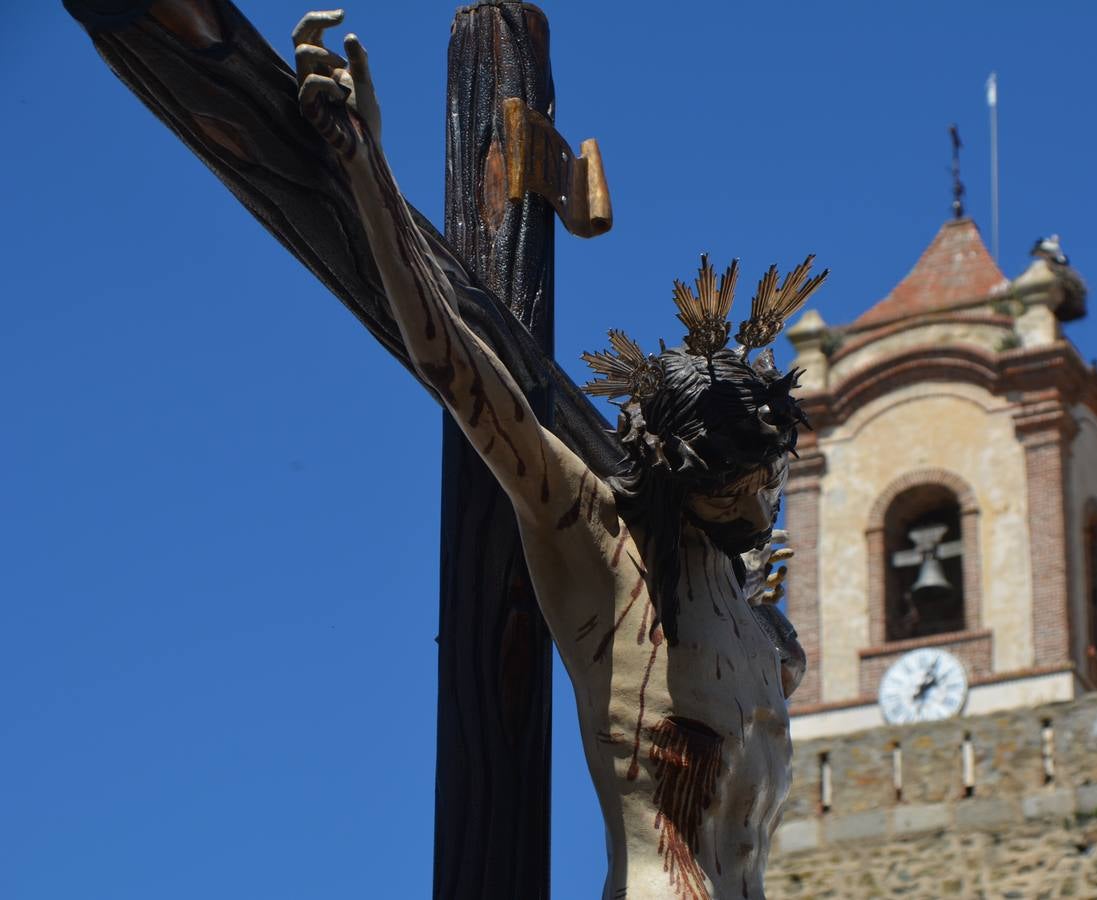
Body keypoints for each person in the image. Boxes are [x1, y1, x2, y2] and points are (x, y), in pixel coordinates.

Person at [291, 11, 823, 897]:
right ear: (677, 468)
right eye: (736, 488)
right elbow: (456, 363)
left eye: (768, 482)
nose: (758, 507)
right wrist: (364, 167)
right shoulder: (600, 545)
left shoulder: (765, 634)